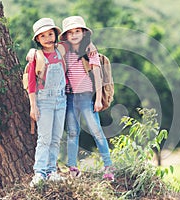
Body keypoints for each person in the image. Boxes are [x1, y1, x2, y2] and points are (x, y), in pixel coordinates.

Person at [60, 16, 114, 181]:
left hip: (86, 97)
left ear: (83, 33)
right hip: (70, 97)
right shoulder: (64, 50)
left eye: (77, 31)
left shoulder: (89, 49)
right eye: (70, 32)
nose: (74, 35)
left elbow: (97, 75)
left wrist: (98, 99)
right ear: (66, 36)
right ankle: (72, 168)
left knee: (96, 131)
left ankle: (108, 167)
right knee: (72, 132)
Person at [28, 18, 67, 187]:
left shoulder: (61, 51)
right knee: (44, 138)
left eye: (50, 34)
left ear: (56, 35)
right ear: (38, 40)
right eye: (43, 36)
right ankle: (39, 172)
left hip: (61, 100)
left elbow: (80, 44)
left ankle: (52, 171)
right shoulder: (37, 56)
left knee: (56, 138)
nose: (48, 38)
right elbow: (31, 83)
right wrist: (33, 106)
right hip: (44, 101)